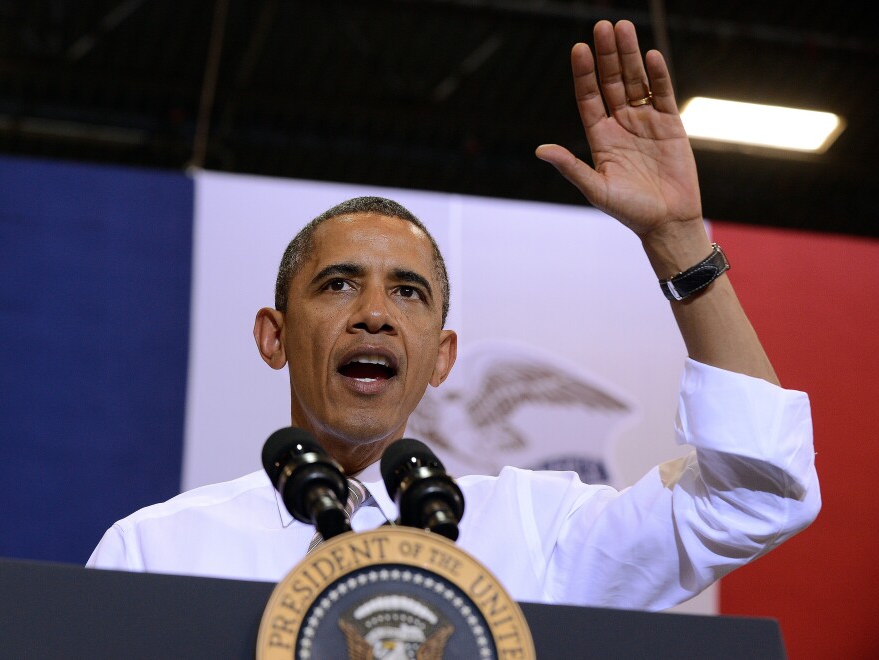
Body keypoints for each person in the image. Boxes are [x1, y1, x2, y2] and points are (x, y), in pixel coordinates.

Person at [87, 20, 820, 610]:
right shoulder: (157, 552)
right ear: (273, 337)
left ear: (440, 356)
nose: (375, 314)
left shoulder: (536, 534)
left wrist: (678, 241)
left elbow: (756, 497)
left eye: (408, 293)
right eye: (339, 284)